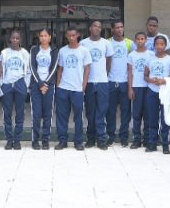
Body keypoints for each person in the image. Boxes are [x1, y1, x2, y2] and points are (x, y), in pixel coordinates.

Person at [55, 28, 91, 150]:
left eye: (73, 35)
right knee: (62, 116)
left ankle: (78, 142)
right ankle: (62, 141)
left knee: (78, 117)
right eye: (69, 35)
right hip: (63, 88)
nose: (71, 37)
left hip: (77, 89)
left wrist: (83, 86)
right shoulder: (62, 51)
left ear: (78, 35)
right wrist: (58, 85)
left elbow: (87, 69)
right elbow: (60, 69)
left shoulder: (84, 51)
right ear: (66, 36)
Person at [80, 21, 113, 150]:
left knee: (101, 111)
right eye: (94, 26)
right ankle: (90, 138)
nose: (97, 28)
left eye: (99, 26)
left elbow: (108, 63)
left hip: (103, 82)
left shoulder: (106, 43)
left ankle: (101, 139)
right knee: (90, 112)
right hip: (88, 82)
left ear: (101, 29)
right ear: (90, 28)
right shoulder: (83, 43)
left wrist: (103, 74)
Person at [144, 36, 170, 153]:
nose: (159, 46)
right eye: (157, 44)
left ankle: (165, 145)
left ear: (165, 45)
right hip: (152, 90)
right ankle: (152, 143)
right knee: (152, 118)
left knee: (164, 118)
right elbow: (146, 76)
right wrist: (151, 80)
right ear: (154, 46)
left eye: (162, 44)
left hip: (165, 91)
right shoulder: (150, 59)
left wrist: (164, 81)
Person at [0, 29, 29, 150]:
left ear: (20, 40)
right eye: (13, 38)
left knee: (20, 113)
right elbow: (1, 70)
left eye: (17, 38)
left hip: (20, 84)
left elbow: (28, 71)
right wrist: (3, 84)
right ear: (10, 39)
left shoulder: (24, 53)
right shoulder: (4, 52)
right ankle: (9, 140)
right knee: (7, 113)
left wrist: (25, 85)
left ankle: (17, 140)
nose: (15, 40)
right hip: (7, 84)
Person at [29, 29, 58, 150]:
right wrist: (40, 84)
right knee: (36, 114)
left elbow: (54, 67)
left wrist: (46, 84)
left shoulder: (55, 50)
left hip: (49, 85)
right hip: (36, 85)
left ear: (50, 37)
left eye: (46, 36)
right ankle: (35, 140)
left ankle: (45, 140)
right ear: (39, 37)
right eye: (41, 36)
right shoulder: (34, 50)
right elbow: (32, 67)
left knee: (47, 114)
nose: (43, 38)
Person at [106, 21, 133, 146]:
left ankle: (123, 137)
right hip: (111, 81)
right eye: (117, 27)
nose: (120, 29)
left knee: (125, 111)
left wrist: (130, 85)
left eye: (121, 27)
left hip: (124, 82)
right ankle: (110, 136)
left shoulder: (129, 43)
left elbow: (131, 65)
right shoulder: (107, 43)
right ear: (112, 29)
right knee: (110, 111)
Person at [127, 32, 151, 149]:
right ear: (135, 41)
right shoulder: (132, 55)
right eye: (138, 39)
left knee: (147, 114)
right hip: (136, 87)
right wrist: (130, 88)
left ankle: (147, 139)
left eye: (142, 39)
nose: (140, 41)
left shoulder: (151, 54)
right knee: (136, 114)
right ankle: (136, 139)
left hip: (148, 87)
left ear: (146, 40)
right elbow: (130, 73)